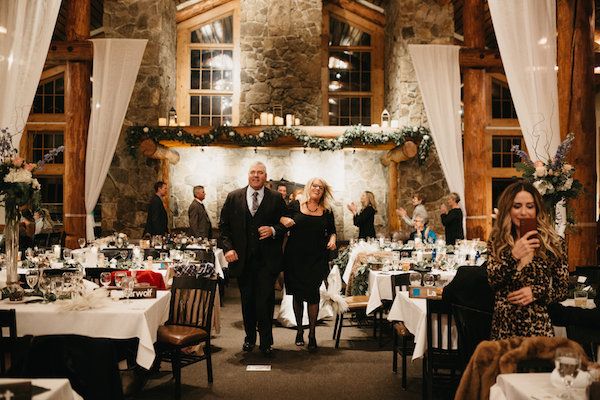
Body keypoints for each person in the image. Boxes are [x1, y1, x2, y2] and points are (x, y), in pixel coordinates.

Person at [218, 162, 287, 357]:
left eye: (260, 173)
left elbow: (288, 222)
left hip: (267, 262)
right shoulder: (233, 197)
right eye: (253, 172)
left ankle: (266, 341)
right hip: (242, 260)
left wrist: (274, 230)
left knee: (265, 301)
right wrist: (228, 249)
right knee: (247, 301)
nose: (256, 176)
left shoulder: (276, 198)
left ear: (266, 176)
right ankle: (249, 338)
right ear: (248, 175)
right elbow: (224, 227)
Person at [487, 181, 569, 340]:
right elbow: (493, 281)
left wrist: (536, 292)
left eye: (530, 206)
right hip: (504, 330)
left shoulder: (554, 243)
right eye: (517, 206)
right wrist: (513, 256)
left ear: (537, 209)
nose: (523, 212)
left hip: (538, 330)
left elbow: (562, 289)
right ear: (508, 209)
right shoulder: (497, 241)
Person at [280, 177, 336, 352]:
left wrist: (333, 239)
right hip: (295, 257)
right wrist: (283, 220)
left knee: (313, 296)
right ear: (308, 187)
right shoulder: (296, 205)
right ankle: (299, 330)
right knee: (297, 295)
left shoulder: (326, 211)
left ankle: (311, 333)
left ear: (324, 191)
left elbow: (332, 230)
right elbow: (280, 217)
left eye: (321, 187)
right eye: (314, 185)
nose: (317, 189)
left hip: (316, 258)